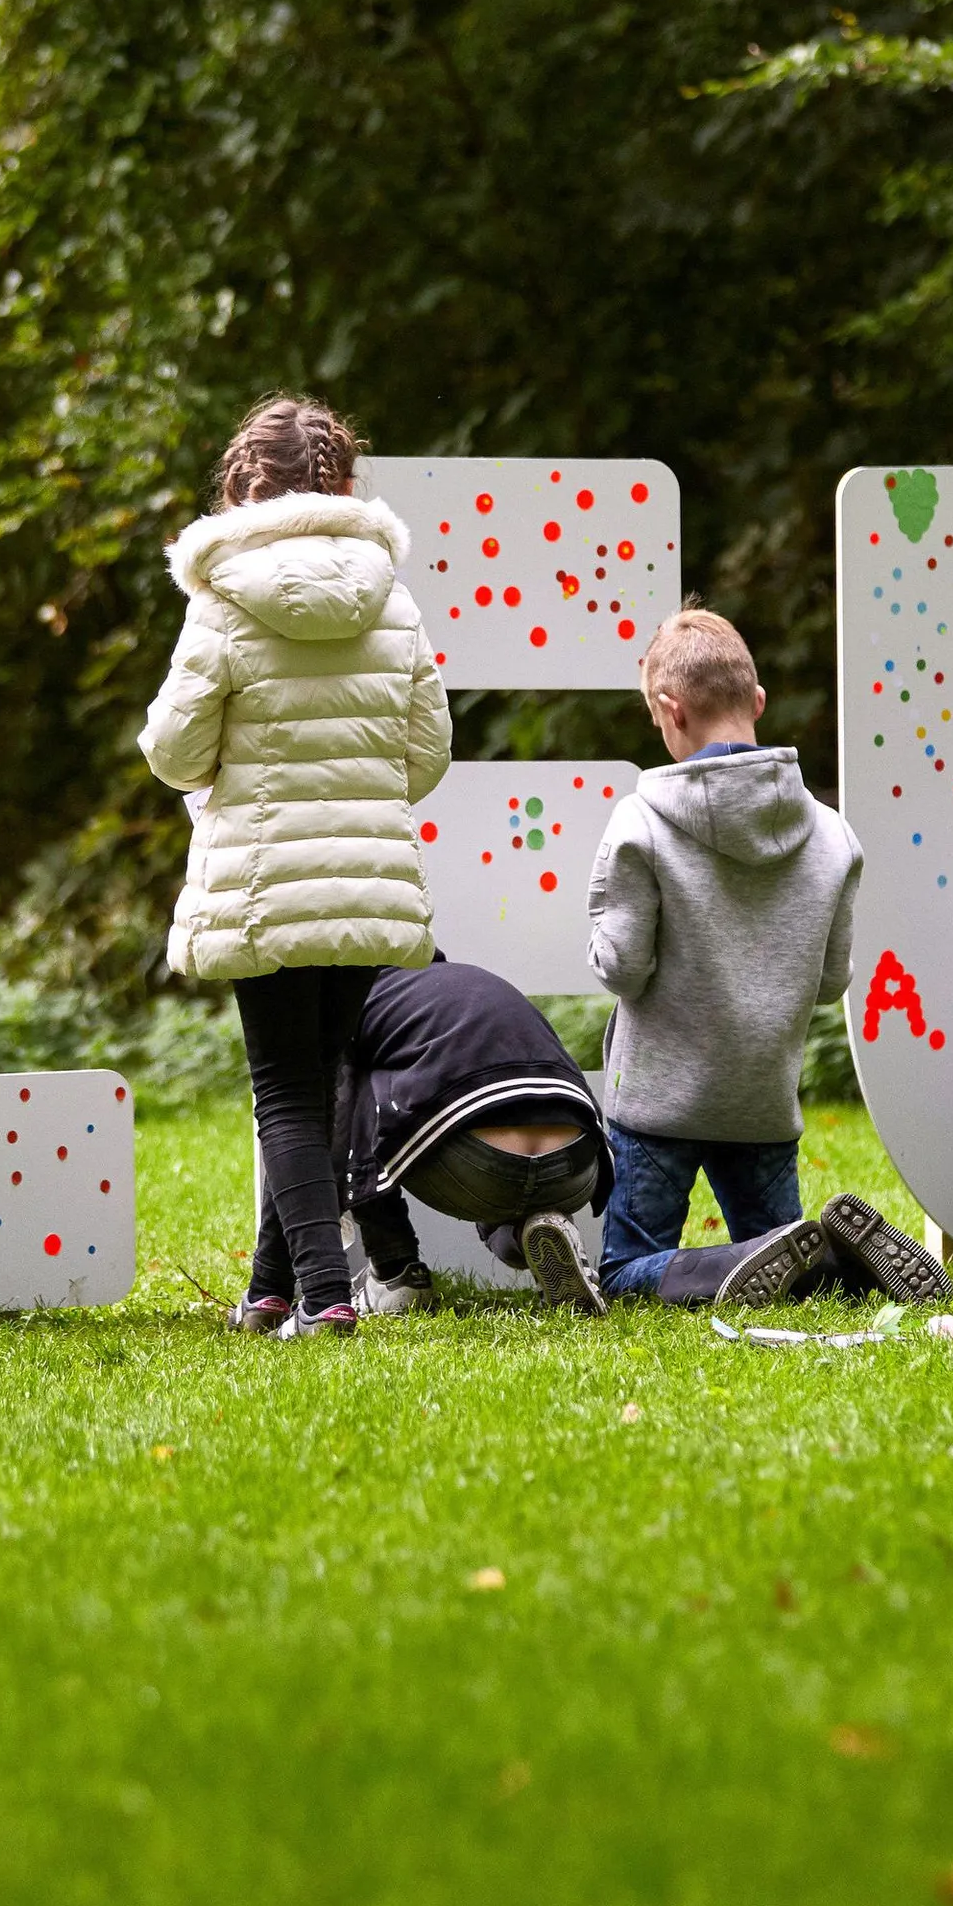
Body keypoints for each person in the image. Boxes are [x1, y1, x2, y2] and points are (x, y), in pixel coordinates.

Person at [140, 395, 451, 1336]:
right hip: (364, 879)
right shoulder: (390, 599)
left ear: (242, 484)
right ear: (344, 486)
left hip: (263, 878)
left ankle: (321, 1298)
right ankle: (269, 1290)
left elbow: (174, 753)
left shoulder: (223, 598)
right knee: (319, 1077)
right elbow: (429, 752)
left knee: (284, 1084)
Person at [586, 609, 949, 1308]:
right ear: (757, 701)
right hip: (762, 1100)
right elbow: (831, 983)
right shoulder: (832, 833)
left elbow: (622, 967)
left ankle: (751, 1256)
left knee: (626, 1273)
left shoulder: (640, 821)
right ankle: (836, 1260)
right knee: (792, 1270)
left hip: (658, 1101)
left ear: (670, 710)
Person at [334, 957, 613, 1315]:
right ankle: (530, 1235)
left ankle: (396, 1273)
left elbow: (333, 1123)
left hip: (483, 1168)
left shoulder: (356, 996)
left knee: (350, 1087)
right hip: (576, 1166)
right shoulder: (468, 981)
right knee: (472, 1096)